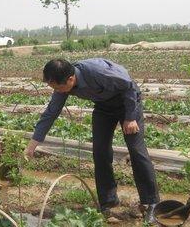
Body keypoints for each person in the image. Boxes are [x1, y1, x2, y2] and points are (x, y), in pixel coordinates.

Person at [24, 58, 159, 223]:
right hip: (103, 107)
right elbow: (51, 112)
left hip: (127, 102)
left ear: (71, 79)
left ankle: (151, 203)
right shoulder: (62, 85)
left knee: (136, 150)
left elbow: (128, 85)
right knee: (100, 151)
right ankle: (108, 201)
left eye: (58, 88)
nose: (58, 91)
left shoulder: (97, 72)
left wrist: (130, 118)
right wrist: (32, 146)